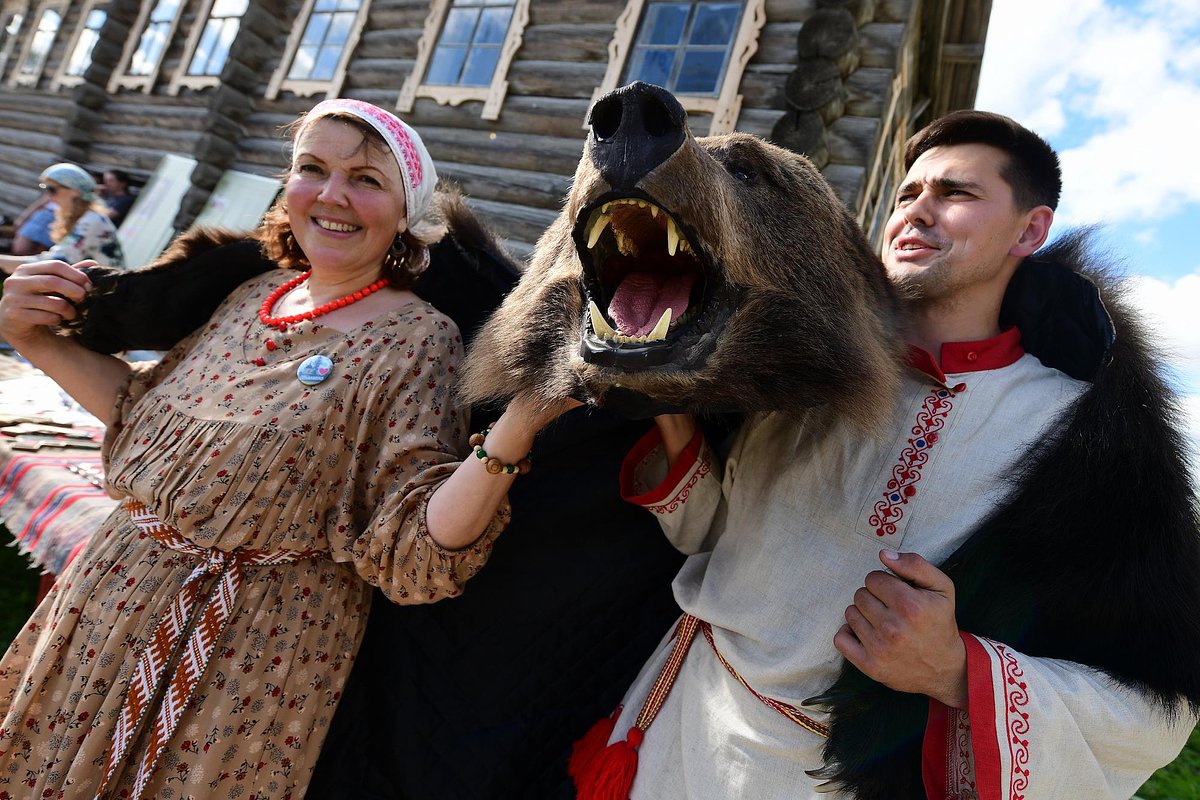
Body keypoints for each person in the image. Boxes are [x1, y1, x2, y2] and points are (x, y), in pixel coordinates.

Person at [571, 111, 1200, 799]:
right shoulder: (815, 366)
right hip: (673, 721)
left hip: (816, 784)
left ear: (1031, 230)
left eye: (955, 194)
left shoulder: (1083, 435)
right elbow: (715, 540)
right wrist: (673, 417)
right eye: (907, 194)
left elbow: (1154, 710)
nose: (917, 212)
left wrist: (955, 668)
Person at [0, 99, 570, 799]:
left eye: (366, 179)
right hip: (110, 596)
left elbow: (412, 544)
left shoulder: (416, 339)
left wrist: (514, 432)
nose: (332, 195)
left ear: (406, 212)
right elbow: (137, 412)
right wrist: (34, 338)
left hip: (247, 645)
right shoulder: (254, 292)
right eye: (312, 168)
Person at [0, 163, 124, 273]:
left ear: (76, 191)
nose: (49, 196)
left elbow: (55, 263)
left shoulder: (91, 221)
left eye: (52, 189)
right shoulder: (82, 217)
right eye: (45, 188)